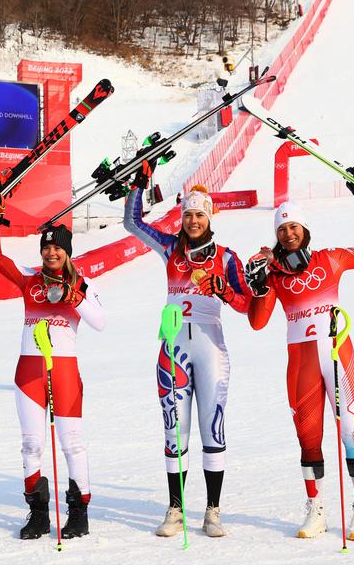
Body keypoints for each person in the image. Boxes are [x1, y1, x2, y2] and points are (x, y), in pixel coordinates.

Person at [244, 198, 354, 541]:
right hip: (301, 362)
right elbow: (257, 322)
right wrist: (260, 287)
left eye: (293, 226)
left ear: (305, 230)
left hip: (338, 353)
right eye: (282, 229)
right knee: (308, 438)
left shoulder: (331, 259)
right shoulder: (274, 274)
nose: (288, 233)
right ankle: (316, 509)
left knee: (351, 430)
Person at [123, 182, 250, 538]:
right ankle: (175, 509)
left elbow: (247, 304)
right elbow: (133, 224)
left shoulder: (225, 257)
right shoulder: (170, 248)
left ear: (209, 218)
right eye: (189, 215)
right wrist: (138, 183)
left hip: (211, 349)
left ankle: (212, 510)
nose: (193, 221)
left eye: (199, 215)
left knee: (213, 428)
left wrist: (222, 290)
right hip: (173, 350)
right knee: (174, 431)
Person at [0, 201, 106, 541]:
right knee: (30, 444)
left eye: (57, 248)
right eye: (47, 247)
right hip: (29, 371)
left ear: (67, 253)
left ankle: (78, 514)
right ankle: (38, 515)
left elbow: (100, 322)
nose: (51, 253)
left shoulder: (84, 283)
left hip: (64, 371)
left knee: (72, 445)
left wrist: (74, 297)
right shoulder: (30, 278)